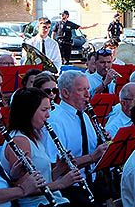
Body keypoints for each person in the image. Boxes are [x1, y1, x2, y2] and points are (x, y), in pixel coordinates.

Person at [4, 87, 120, 207]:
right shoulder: (19, 141)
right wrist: (62, 182)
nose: (48, 115)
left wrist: (60, 168)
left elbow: (42, 175)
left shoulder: (35, 135)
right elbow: (26, 188)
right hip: (32, 206)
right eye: (44, 110)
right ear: (28, 111)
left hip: (50, 198)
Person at [46, 70, 110, 198]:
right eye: (82, 90)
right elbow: (55, 166)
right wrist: (92, 157)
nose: (88, 95)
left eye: (88, 89)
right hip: (71, 188)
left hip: (93, 180)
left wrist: (101, 143)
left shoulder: (84, 116)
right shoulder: (55, 121)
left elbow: (90, 148)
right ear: (65, 93)